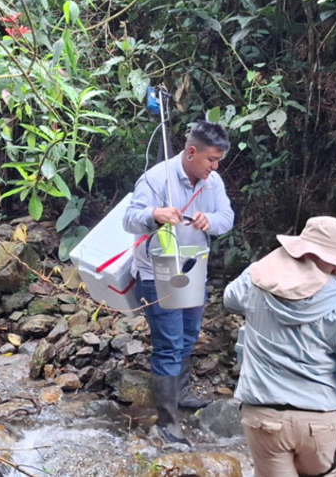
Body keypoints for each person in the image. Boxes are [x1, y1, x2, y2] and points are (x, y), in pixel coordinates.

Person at [224, 216, 336, 477]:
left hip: (263, 416)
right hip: (318, 421)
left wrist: (265, 265)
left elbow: (230, 298)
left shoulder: (256, 278)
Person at [123, 120, 235, 445]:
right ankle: (168, 423)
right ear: (191, 152)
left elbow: (227, 218)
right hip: (156, 272)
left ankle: (182, 395)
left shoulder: (212, 183)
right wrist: (155, 213)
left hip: (193, 268)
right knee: (169, 345)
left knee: (188, 336)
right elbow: (129, 219)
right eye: (210, 160)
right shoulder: (157, 178)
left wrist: (209, 220)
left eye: (218, 162)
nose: (214, 168)